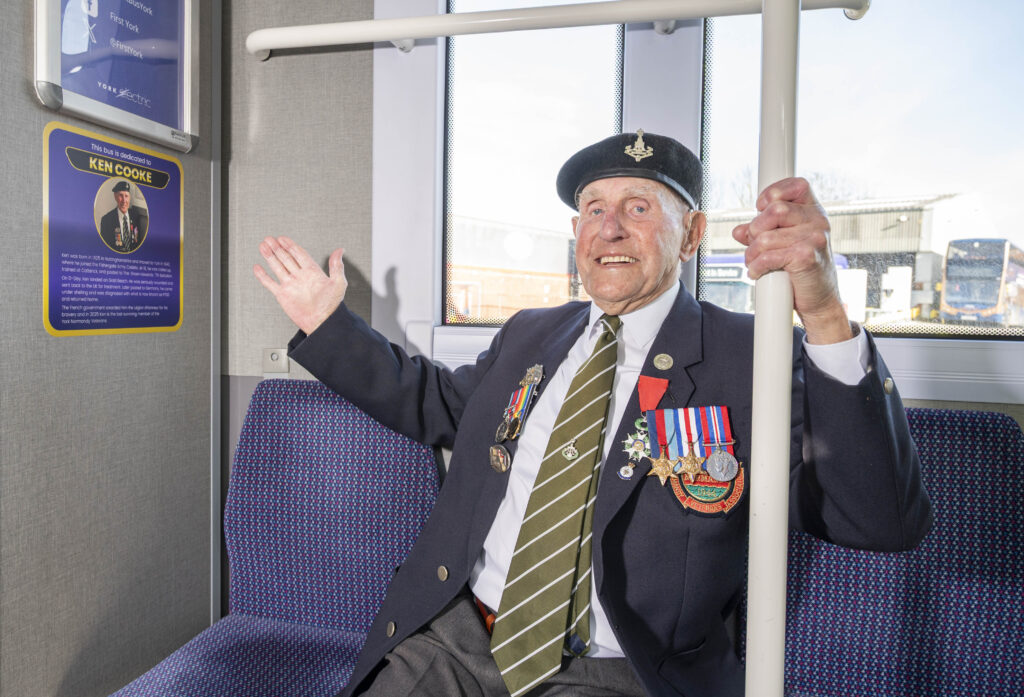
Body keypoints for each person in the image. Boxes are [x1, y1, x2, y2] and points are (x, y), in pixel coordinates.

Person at [254, 131, 932, 697]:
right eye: (593, 208)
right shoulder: (530, 334)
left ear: (691, 233)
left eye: (639, 207)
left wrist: (823, 313)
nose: (609, 228)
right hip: (458, 643)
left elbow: (878, 519)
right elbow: (437, 404)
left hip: (621, 670)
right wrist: (327, 324)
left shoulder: (747, 355)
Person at [99, 180, 148, 253]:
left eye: (126, 196)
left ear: (129, 197)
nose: (124, 200)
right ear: (115, 196)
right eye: (121, 195)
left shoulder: (137, 217)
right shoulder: (106, 220)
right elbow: (105, 249)